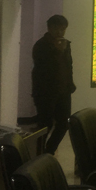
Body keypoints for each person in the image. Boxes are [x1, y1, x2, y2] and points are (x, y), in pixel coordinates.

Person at [32, 14, 76, 154]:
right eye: (57, 29)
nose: (60, 32)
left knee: (64, 123)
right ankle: (38, 154)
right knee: (45, 125)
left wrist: (70, 84)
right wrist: (57, 51)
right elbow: (43, 68)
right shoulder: (41, 45)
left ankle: (49, 151)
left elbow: (69, 66)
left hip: (63, 91)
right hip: (45, 92)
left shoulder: (66, 44)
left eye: (63, 29)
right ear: (49, 28)